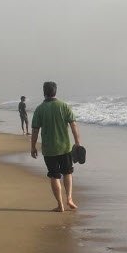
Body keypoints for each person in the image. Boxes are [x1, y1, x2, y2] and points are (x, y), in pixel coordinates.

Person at [30, 81, 81, 212]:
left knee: (54, 176)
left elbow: (35, 130)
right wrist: (77, 142)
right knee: (68, 173)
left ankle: (60, 205)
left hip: (49, 149)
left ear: (44, 92)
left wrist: (33, 147)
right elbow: (73, 125)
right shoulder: (64, 106)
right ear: (55, 91)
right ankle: (69, 198)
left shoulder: (40, 109)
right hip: (65, 147)